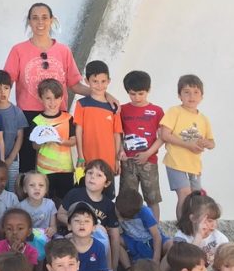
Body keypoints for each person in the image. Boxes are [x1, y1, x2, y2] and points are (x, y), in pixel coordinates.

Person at [3, 3, 115, 175]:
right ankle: (27, 201)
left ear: (52, 20)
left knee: (58, 163)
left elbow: (74, 84)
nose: (40, 22)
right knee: (28, 164)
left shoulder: (63, 51)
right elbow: (6, 82)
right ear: (29, 22)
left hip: (58, 116)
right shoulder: (18, 50)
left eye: (44, 17)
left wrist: (102, 94)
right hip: (29, 115)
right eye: (35, 18)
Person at [157, 75, 215, 218]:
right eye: (186, 92)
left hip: (194, 166)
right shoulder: (174, 111)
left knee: (196, 199)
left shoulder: (204, 119)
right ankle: (182, 228)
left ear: (202, 96)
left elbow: (212, 142)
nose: (191, 96)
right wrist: (188, 145)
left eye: (196, 92)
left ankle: (192, 228)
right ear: (179, 95)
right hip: (176, 162)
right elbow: (165, 134)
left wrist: (207, 143)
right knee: (184, 194)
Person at [58, 160, 121, 271]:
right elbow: (60, 214)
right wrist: (74, 224)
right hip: (72, 236)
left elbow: (115, 238)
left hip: (94, 244)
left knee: (101, 232)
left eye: (98, 175)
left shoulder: (109, 206)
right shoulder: (74, 194)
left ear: (106, 183)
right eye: (90, 173)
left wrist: (114, 267)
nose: (92, 177)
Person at [118, 71, 164, 222]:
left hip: (149, 161)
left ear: (148, 90)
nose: (137, 98)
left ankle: (155, 230)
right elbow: (118, 133)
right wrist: (120, 150)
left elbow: (162, 136)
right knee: (126, 198)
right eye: (132, 94)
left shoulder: (157, 111)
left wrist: (148, 153)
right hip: (128, 162)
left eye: (140, 93)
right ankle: (126, 229)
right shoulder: (122, 110)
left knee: (152, 199)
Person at [29, 79, 76, 202]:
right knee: (46, 201)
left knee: (65, 201)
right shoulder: (37, 121)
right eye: (48, 98)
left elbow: (73, 141)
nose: (52, 102)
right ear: (41, 98)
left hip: (65, 168)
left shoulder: (68, 118)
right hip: (44, 170)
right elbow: (34, 146)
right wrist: (43, 140)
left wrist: (61, 141)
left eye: (56, 98)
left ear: (62, 98)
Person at [73, 61, 122, 175]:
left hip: (109, 160)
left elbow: (117, 134)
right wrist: (80, 155)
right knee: (85, 190)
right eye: (95, 81)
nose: (100, 85)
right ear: (86, 81)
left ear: (109, 81)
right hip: (87, 159)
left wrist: (116, 159)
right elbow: (78, 131)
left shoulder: (114, 107)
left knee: (107, 191)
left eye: (103, 81)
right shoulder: (81, 104)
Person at [0, 69, 28, 195]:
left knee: (12, 191)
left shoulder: (17, 112)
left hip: (12, 160)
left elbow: (20, 137)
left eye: (6, 88)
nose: (2, 92)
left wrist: (11, 158)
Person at [116, 189, 167, 267]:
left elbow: (156, 236)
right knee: (114, 241)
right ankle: (128, 269)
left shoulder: (145, 212)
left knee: (171, 246)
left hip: (150, 239)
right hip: (131, 239)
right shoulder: (117, 208)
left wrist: (156, 259)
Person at [18, 171, 57, 239]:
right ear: (25, 189)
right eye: (32, 185)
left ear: (46, 189)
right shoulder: (21, 207)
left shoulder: (50, 204)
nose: (37, 188)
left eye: (41, 185)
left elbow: (53, 227)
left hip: (45, 239)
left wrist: (52, 230)